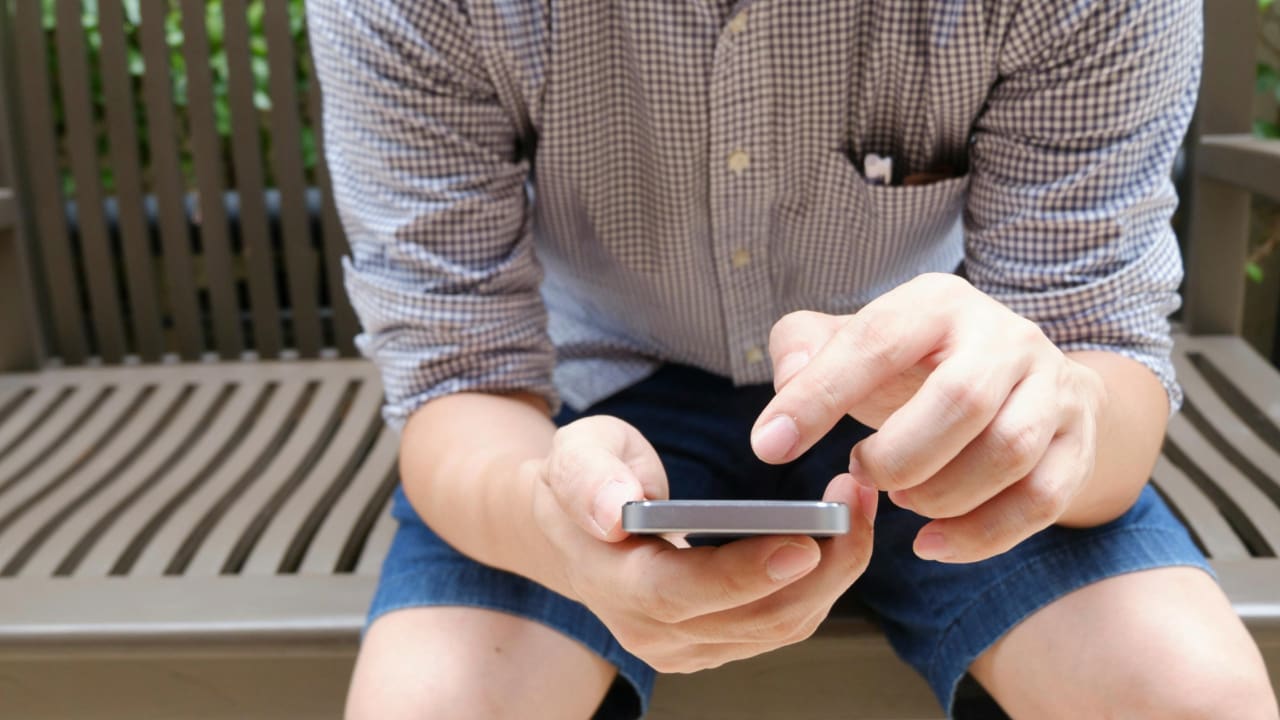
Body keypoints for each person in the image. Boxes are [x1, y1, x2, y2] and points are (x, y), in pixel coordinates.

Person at [308, 0, 1280, 717]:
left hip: (940, 393)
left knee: (1191, 696)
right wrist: (541, 514)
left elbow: (1092, 365)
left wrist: (1046, 415)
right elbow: (456, 379)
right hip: (579, 404)